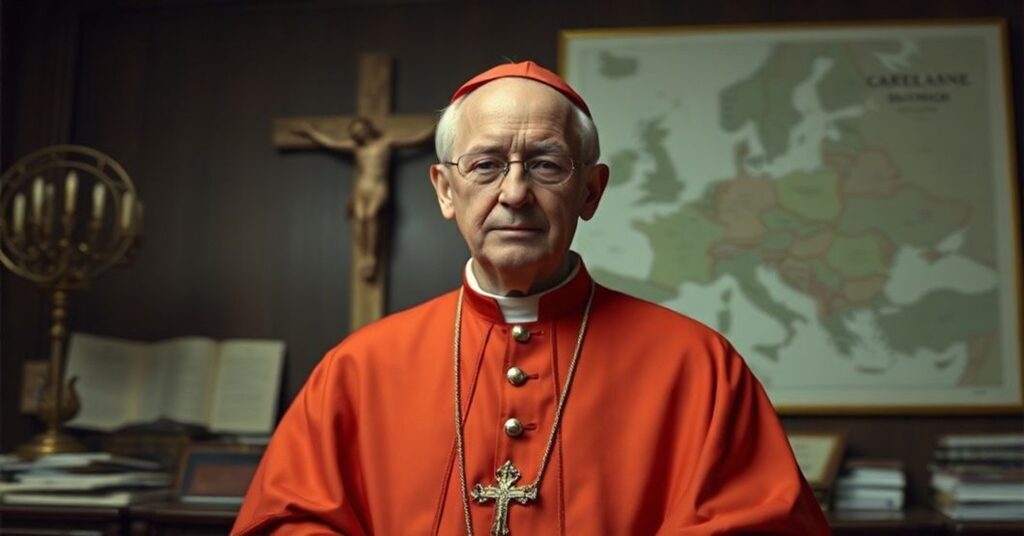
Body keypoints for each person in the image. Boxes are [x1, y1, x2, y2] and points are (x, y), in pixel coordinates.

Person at [233, 61, 831, 535]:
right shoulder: (358, 367)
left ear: (590, 192)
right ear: (445, 190)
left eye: (546, 165)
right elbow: (288, 521)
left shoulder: (699, 367)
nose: (514, 193)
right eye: (487, 165)